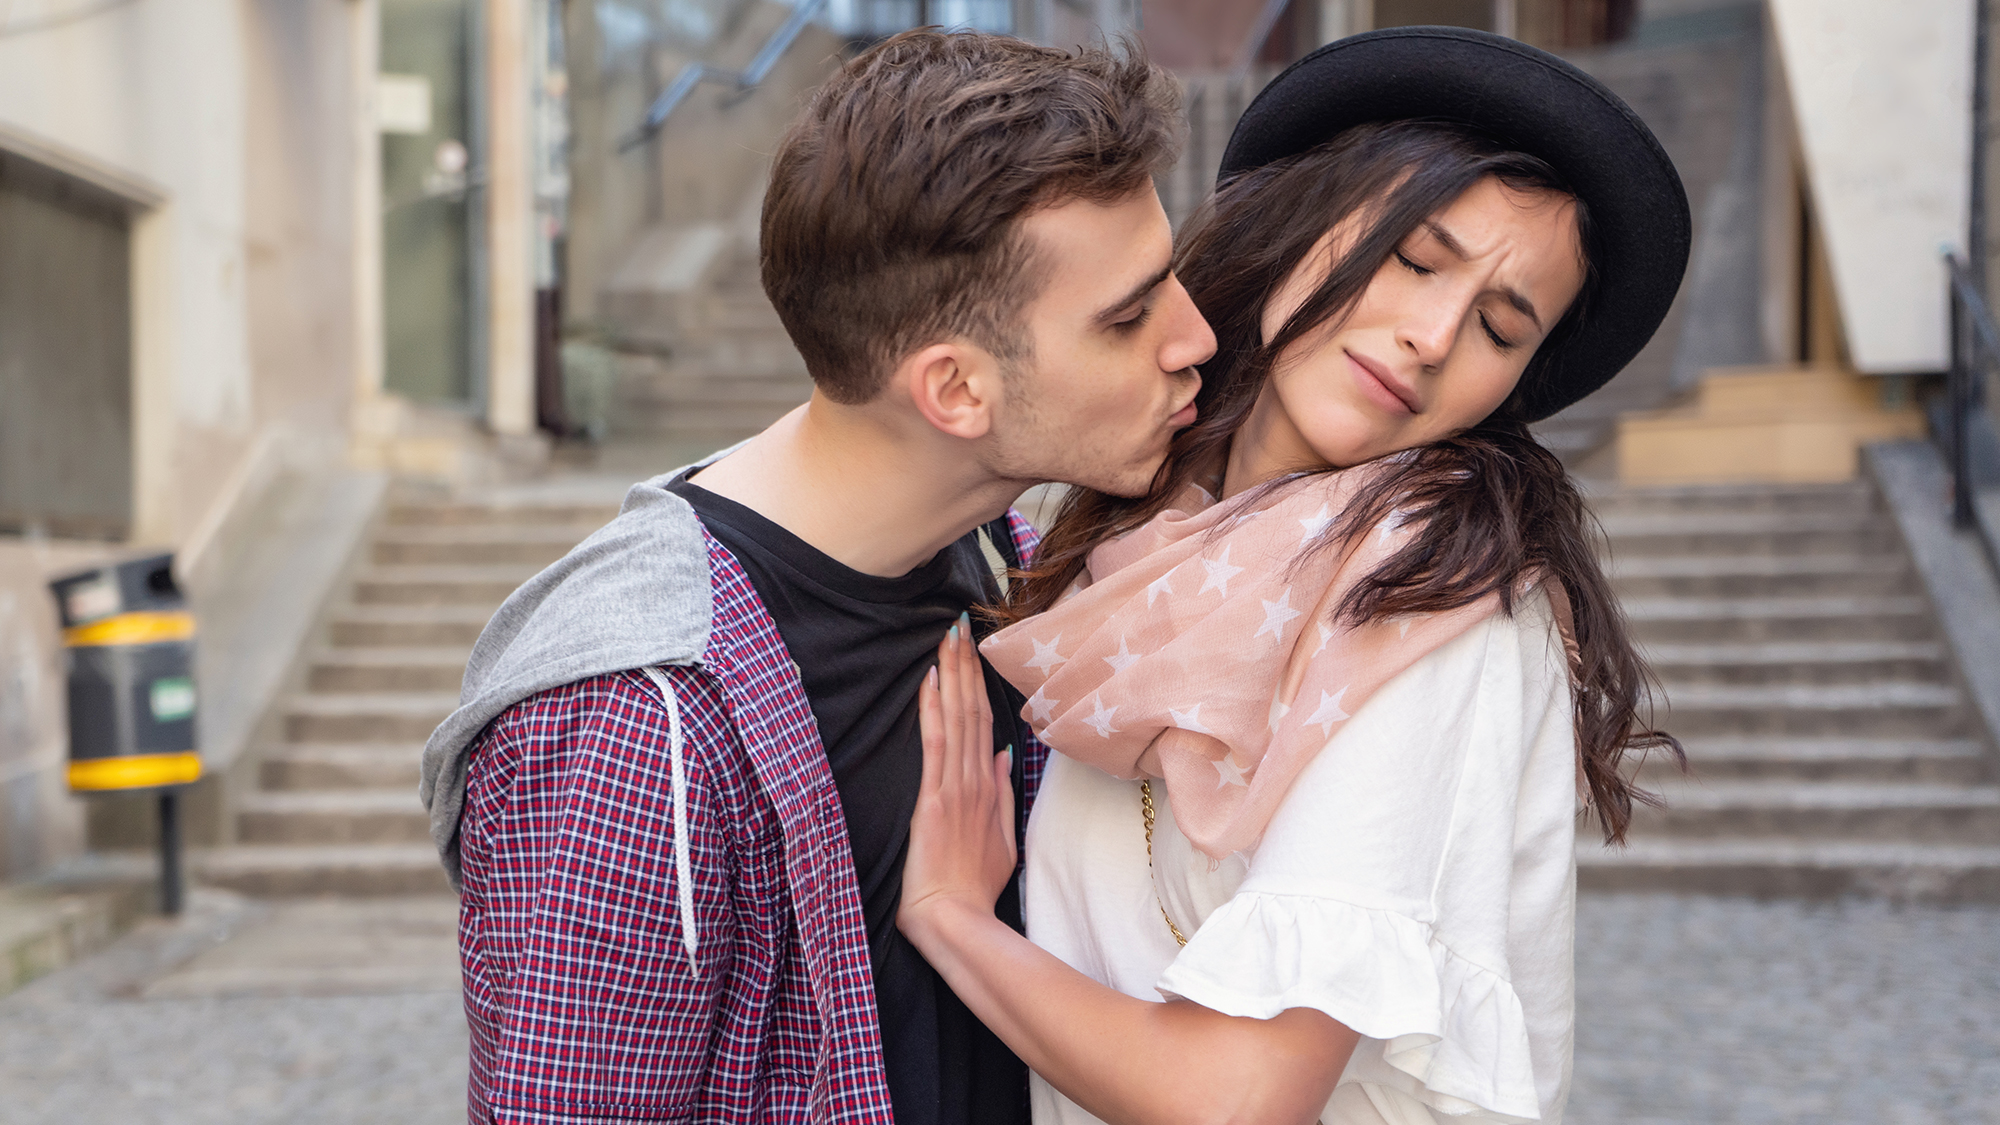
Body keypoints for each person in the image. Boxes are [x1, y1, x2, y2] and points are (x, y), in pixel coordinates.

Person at [895, 27, 1691, 1125]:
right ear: (1308, 215)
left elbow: (1235, 1098)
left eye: (1499, 330)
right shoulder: (1161, 544)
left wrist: (948, 917)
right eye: (1414, 260)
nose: (1428, 335)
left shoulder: (1433, 602)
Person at [417, 31, 1214, 1125]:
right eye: (1128, 317)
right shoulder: (629, 722)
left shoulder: (998, 560)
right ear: (953, 391)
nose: (1195, 338)